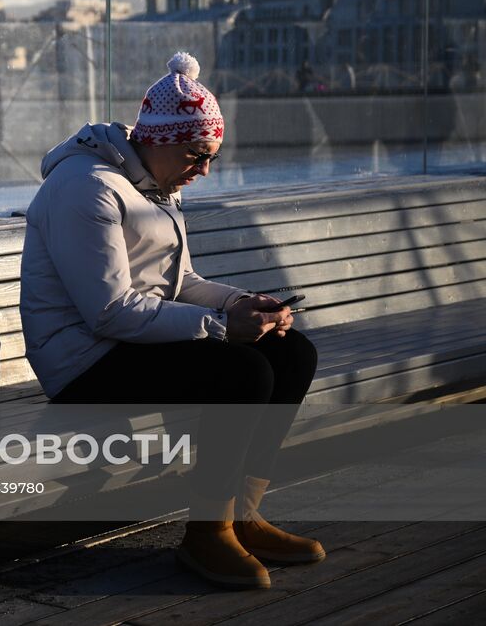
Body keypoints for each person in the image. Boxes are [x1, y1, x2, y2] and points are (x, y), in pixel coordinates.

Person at [20, 52, 321, 590]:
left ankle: (241, 518)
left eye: (212, 157)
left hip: (128, 343)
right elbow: (110, 311)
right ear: (158, 138)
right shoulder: (86, 187)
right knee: (243, 372)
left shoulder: (151, 183)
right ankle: (207, 534)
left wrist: (241, 304)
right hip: (84, 363)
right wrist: (224, 330)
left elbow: (178, 285)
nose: (203, 170)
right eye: (198, 154)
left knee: (292, 351)